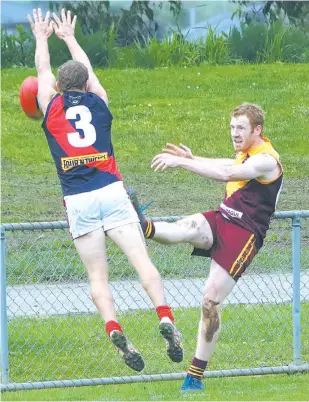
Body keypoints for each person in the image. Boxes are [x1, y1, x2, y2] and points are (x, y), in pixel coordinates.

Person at [27, 8, 183, 372]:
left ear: (57, 88)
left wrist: (42, 37)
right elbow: (88, 71)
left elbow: (42, 71)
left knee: (98, 277)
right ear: (87, 84)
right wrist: (69, 37)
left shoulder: (49, 106)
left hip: (78, 200)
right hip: (111, 190)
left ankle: (114, 327)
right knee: (142, 262)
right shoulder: (98, 101)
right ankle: (165, 317)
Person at [130, 103, 283, 390]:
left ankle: (195, 376)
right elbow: (227, 164)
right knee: (188, 227)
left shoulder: (267, 161)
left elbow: (228, 174)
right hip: (222, 218)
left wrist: (183, 163)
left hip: (244, 236)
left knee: (210, 301)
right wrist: (193, 156)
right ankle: (144, 226)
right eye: (232, 127)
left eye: (241, 128)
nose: (235, 134)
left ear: (258, 130)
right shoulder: (245, 154)